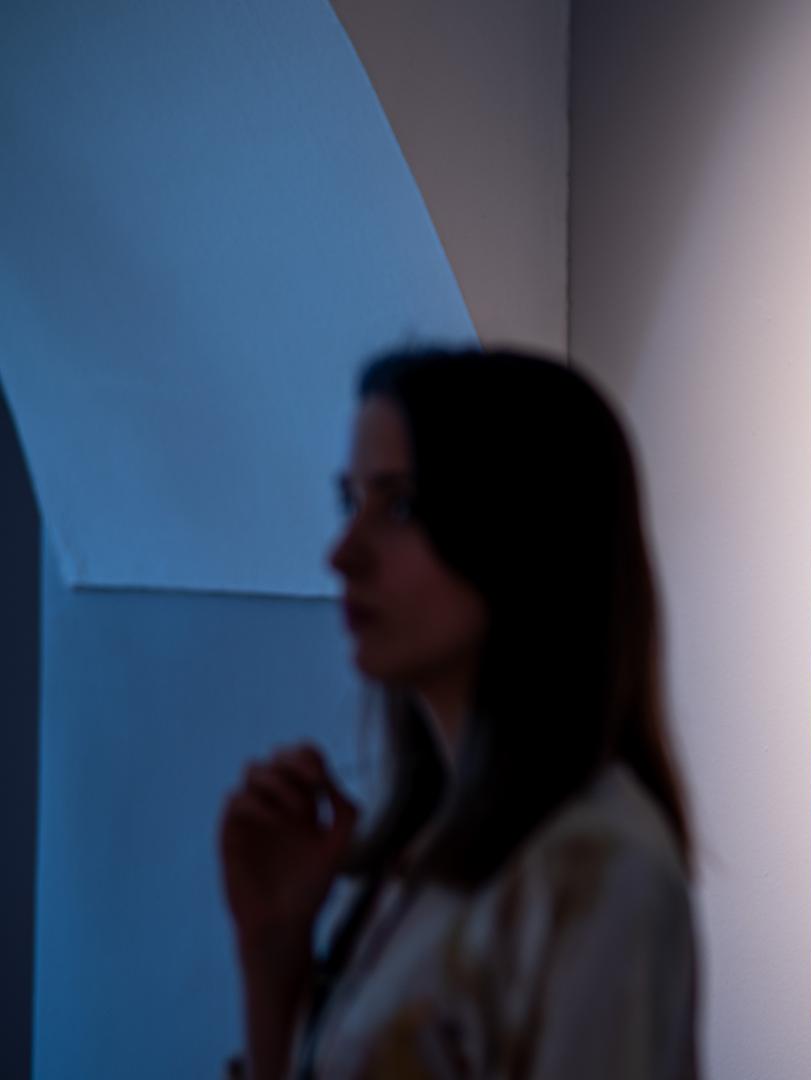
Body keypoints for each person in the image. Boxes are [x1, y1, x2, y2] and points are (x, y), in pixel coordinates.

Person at [218, 349, 696, 1078]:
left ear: (521, 530)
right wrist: (272, 955)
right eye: (350, 502)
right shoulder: (421, 849)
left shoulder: (598, 866)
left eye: (400, 506)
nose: (342, 554)